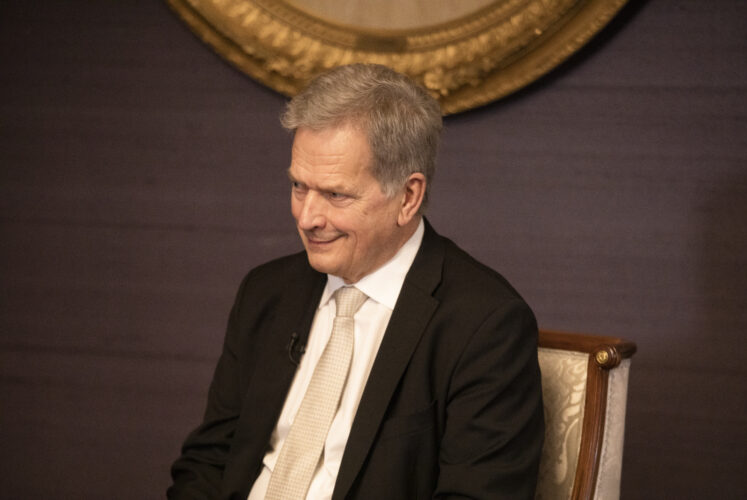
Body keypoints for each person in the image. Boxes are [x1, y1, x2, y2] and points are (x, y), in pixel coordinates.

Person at [168, 63, 544, 500]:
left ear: (408, 196)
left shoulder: (483, 325)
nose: (307, 217)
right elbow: (210, 460)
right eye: (298, 186)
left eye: (335, 194)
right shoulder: (266, 293)